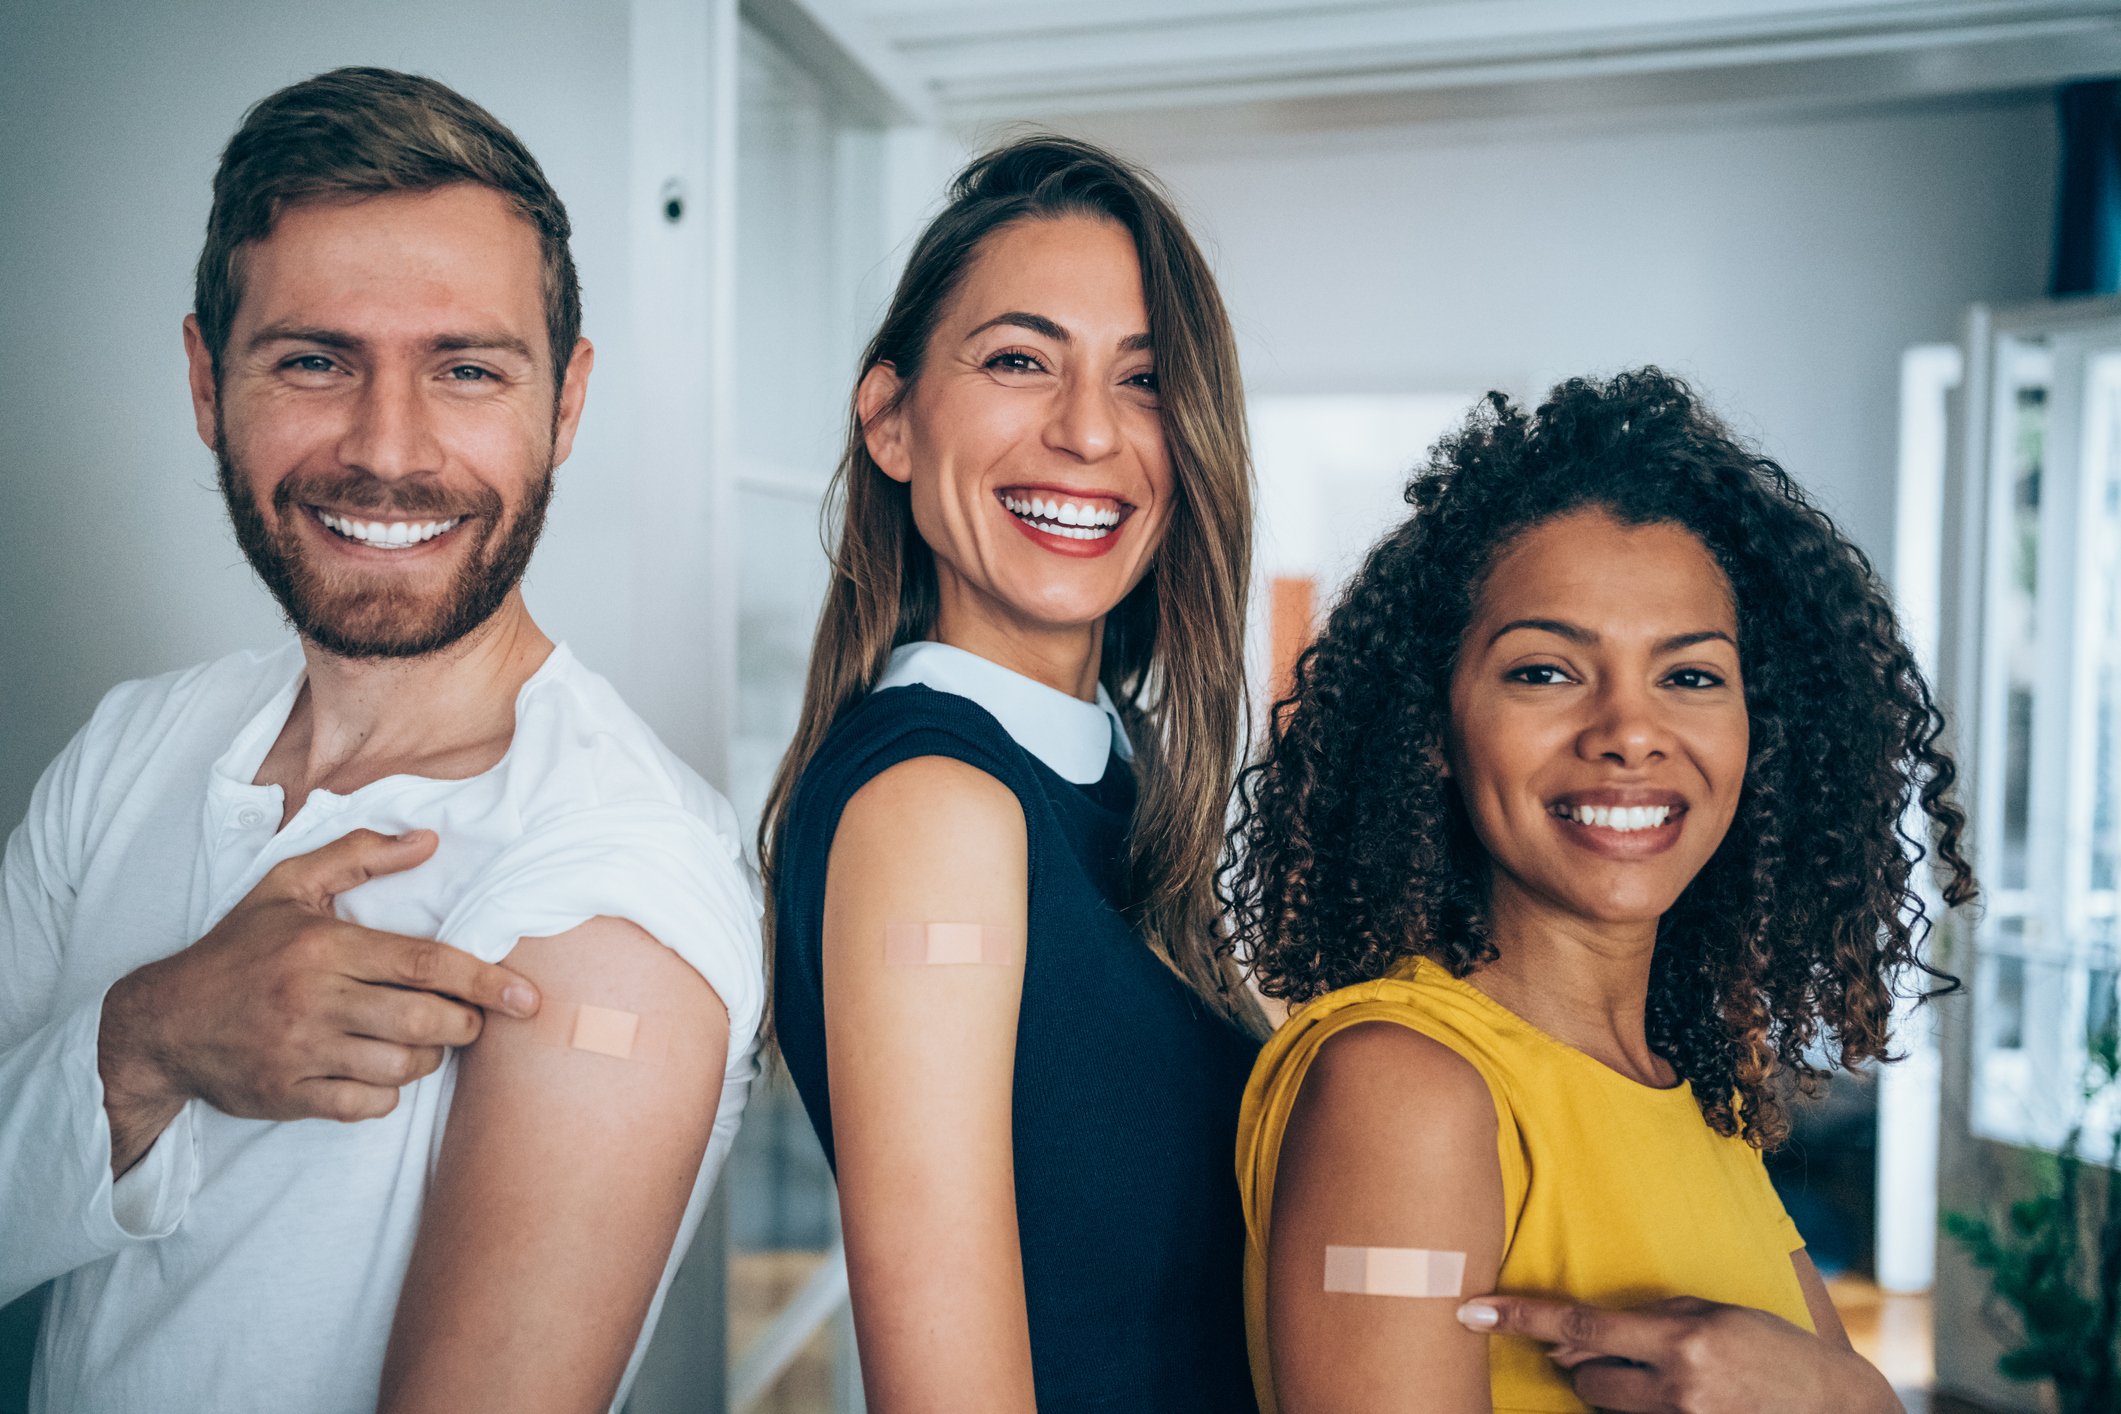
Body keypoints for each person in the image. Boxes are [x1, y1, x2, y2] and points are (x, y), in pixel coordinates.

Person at [0, 68, 762, 1414]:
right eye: (313, 359)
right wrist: (150, 1040)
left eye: (466, 369)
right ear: (204, 379)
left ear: (565, 404)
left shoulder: (618, 881)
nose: (388, 450)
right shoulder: (130, 744)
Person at [1224, 369, 1975, 1414]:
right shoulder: (1405, 1092)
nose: (1629, 729)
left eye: (1692, 675)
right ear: (1435, 729)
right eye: (1546, 670)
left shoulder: (1694, 1098)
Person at [760, 136, 1264, 1412]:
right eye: (1019, 360)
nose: (1088, 429)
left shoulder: (1122, 762)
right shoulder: (938, 808)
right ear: (890, 419)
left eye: (1144, 379)